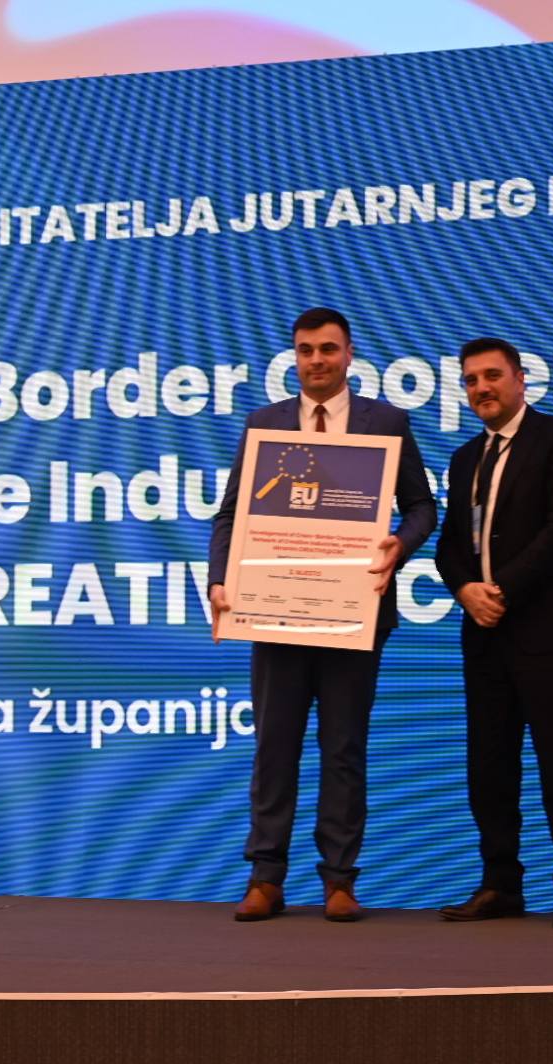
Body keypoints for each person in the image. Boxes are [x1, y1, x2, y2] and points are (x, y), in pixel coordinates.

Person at [208, 307, 437, 922]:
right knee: (274, 748)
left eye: (328, 349)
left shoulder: (385, 422)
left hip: (353, 611)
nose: (317, 360)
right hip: (275, 609)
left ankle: (340, 880)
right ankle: (266, 878)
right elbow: (231, 514)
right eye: (306, 350)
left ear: (349, 354)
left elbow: (422, 507)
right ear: (294, 357)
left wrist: (400, 544)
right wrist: (220, 579)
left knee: (343, 750)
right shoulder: (265, 423)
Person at [434, 337, 553, 928]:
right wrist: (464, 589)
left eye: (492, 376)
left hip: (549, 629)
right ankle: (500, 884)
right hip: (483, 633)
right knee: (489, 766)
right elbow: (450, 544)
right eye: (471, 380)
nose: (481, 388)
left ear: (521, 379)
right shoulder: (464, 459)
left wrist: (499, 590)